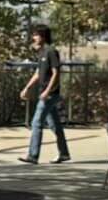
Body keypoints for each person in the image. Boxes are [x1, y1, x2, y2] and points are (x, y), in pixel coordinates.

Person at [19, 24, 70, 163]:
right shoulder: (41, 53)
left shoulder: (51, 51)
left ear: (42, 36)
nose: (33, 38)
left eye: (35, 35)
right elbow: (38, 73)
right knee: (55, 125)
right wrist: (27, 88)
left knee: (36, 123)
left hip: (50, 94)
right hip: (44, 92)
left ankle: (33, 155)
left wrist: (48, 90)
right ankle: (64, 153)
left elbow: (56, 73)